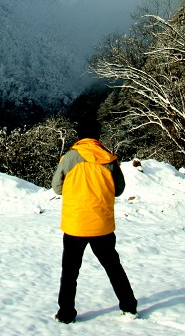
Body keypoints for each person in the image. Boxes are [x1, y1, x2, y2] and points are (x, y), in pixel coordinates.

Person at [51, 137, 137, 323]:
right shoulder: (109, 159)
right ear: (97, 138)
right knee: (113, 267)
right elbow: (119, 190)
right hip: (101, 224)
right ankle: (129, 306)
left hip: (75, 224)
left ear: (79, 137)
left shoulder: (69, 158)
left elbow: (57, 188)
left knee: (70, 271)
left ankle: (66, 313)